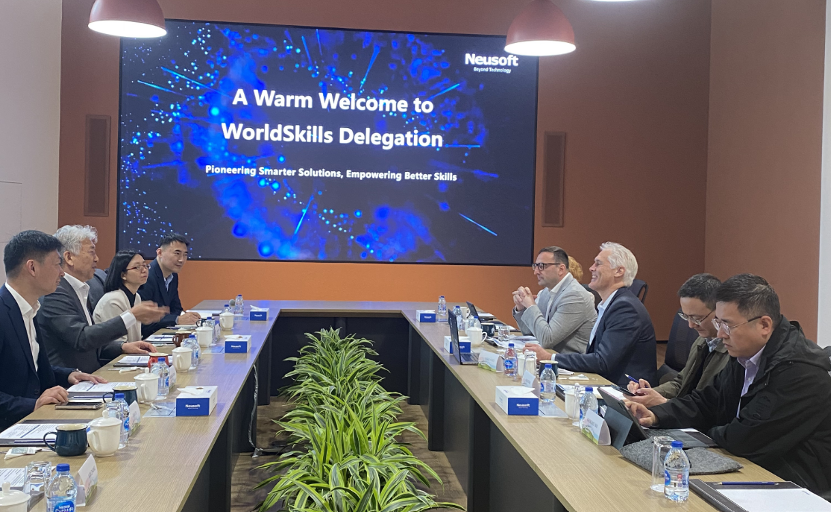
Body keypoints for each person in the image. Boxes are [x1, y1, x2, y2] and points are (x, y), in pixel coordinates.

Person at [626, 274, 831, 498]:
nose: (721, 334)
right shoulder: (745, 353)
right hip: (751, 467)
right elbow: (707, 401)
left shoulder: (799, 372)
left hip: (797, 487)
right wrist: (657, 415)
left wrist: (708, 430)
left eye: (728, 325)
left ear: (764, 325)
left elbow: (743, 440)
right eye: (718, 322)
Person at [1, 230, 105, 431]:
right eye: (57, 264)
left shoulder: (30, 309)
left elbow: (31, 370)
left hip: (35, 422)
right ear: (32, 267)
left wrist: (68, 375)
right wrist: (32, 405)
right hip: (11, 429)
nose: (62, 272)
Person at [39, 225, 166, 373]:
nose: (97, 259)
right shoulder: (56, 292)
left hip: (90, 376)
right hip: (70, 380)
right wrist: (131, 316)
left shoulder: (80, 289)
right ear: (69, 258)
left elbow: (94, 343)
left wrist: (122, 347)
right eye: (91, 252)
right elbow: (81, 339)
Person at [548, 242, 657, 387]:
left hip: (626, 392)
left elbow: (602, 362)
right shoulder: (611, 304)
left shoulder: (625, 308)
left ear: (619, 271)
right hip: (603, 383)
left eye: (598, 264)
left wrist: (551, 357)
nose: (591, 268)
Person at [627, 274, 730, 407]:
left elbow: (712, 408)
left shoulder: (733, 354)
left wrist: (665, 403)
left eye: (697, 318)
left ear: (719, 311)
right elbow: (681, 383)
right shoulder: (701, 341)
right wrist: (648, 393)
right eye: (686, 317)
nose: (691, 325)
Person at [511, 246, 596, 354]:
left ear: (561, 269)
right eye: (535, 266)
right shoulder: (546, 292)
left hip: (568, 362)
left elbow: (547, 340)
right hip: (549, 358)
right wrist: (521, 308)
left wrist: (531, 306)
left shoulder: (575, 296)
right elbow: (531, 332)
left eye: (541, 266)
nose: (536, 272)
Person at [138, 233, 201, 337]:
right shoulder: (147, 277)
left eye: (185, 255)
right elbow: (144, 318)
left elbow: (176, 308)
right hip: (146, 337)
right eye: (177, 253)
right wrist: (177, 319)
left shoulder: (173, 275)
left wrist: (186, 317)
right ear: (160, 252)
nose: (181, 260)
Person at [93, 251, 151, 343]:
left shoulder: (136, 297)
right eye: (137, 267)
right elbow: (118, 343)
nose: (144, 270)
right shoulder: (113, 300)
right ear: (123, 275)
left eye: (145, 265)